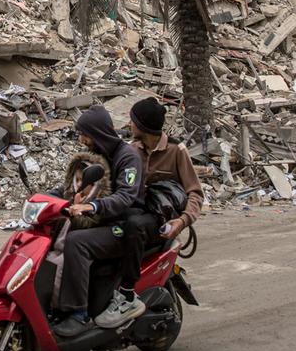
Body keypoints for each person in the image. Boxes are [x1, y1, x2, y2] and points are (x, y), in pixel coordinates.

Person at [94, 97, 205, 330]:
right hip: (138, 212)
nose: (129, 124)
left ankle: (126, 295)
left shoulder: (176, 151)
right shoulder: (131, 149)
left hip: (160, 220)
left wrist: (181, 222)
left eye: (133, 120)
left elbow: (195, 193)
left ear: (143, 126)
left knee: (133, 227)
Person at [53, 105, 144, 338]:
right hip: (102, 220)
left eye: (85, 135)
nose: (82, 140)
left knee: (76, 243)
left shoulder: (128, 157)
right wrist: (48, 197)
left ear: (98, 133)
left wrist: (93, 206)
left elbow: (125, 196)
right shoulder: (99, 155)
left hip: (123, 225)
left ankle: (78, 314)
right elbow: (80, 183)